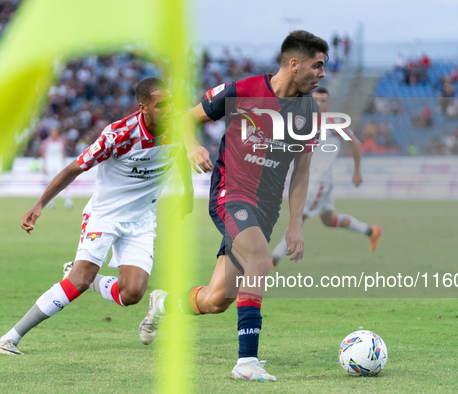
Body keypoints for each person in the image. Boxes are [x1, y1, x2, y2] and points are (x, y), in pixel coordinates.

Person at [139, 30, 329, 382]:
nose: (321, 74)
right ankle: (247, 361)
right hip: (232, 194)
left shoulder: (308, 113)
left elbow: (301, 172)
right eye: (317, 66)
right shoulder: (241, 91)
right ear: (294, 63)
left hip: (266, 211)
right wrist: (194, 147)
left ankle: (163, 304)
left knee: (216, 299)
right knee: (260, 258)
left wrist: (296, 223)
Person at [0, 78, 193, 355]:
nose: (169, 109)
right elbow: (74, 168)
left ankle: (91, 278)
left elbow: (181, 152)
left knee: (132, 294)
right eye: (161, 105)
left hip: (142, 221)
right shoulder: (118, 135)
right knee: (77, 282)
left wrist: (188, 192)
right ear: (143, 108)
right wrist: (39, 205)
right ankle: (9, 338)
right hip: (105, 216)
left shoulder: (180, 124)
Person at [271, 88, 382, 267]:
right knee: (329, 220)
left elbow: (355, 143)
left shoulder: (333, 121)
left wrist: (357, 171)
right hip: (312, 178)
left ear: (328, 104)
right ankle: (371, 231)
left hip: (319, 180)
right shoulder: (304, 122)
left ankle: (273, 257)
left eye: (323, 101)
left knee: (298, 217)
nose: (319, 104)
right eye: (316, 100)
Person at [40, 126, 73, 209]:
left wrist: (64, 164)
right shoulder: (46, 142)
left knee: (64, 182)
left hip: (59, 164)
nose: (54, 133)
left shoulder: (61, 141)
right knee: (49, 183)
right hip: (50, 165)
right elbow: (43, 154)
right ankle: (50, 202)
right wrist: (44, 165)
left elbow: (63, 153)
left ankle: (68, 201)